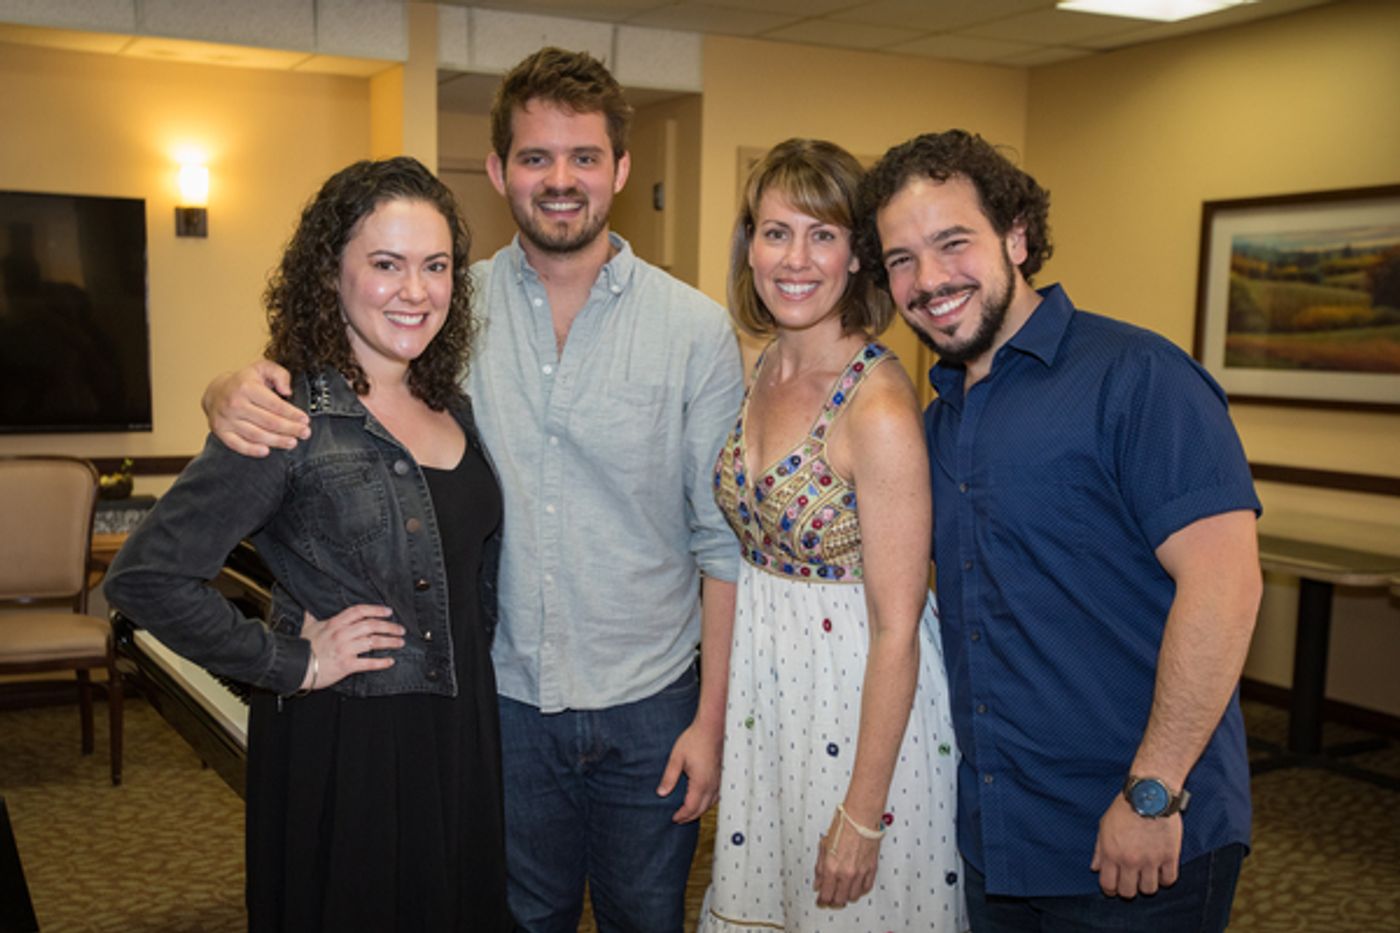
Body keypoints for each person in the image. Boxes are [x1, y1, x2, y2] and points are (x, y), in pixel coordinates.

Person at [201, 48, 743, 932]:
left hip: (653, 707)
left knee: (649, 916)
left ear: (621, 169)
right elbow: (333, 368)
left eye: (584, 157)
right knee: (514, 919)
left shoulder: (695, 330)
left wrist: (710, 722)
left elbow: (719, 545)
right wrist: (229, 385)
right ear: (499, 172)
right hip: (502, 707)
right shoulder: (448, 308)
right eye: (535, 157)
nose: (560, 179)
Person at [855, 130, 1263, 932]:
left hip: (1143, 836)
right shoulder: (938, 421)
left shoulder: (1137, 378)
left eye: (952, 242)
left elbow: (1226, 584)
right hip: (1001, 837)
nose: (929, 279)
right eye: (901, 259)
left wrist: (1152, 790)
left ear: (1015, 235)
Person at [104, 157, 513, 931]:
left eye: (435, 266)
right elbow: (146, 577)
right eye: (386, 264)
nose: (416, 290)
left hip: (459, 735)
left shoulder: (449, 401)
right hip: (349, 747)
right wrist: (295, 660)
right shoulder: (283, 414)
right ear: (331, 273)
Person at [700, 138, 966, 932]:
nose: (796, 259)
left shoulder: (877, 407)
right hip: (770, 706)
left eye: (824, 235)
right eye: (777, 232)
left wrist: (863, 811)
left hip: (855, 720)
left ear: (858, 258)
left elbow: (897, 626)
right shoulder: (766, 368)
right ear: (750, 247)